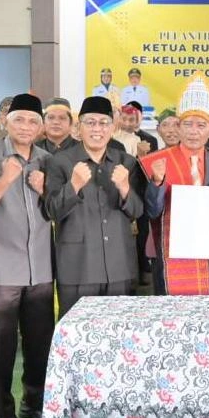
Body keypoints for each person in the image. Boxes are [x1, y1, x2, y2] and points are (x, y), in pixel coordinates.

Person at [0, 93, 54, 418]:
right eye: (19, 119)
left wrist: (46, 190)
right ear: (5, 121)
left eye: (33, 121)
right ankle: (3, 410)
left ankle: (32, 401)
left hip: (40, 267)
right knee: (1, 345)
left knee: (39, 343)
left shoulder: (48, 160)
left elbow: (57, 209)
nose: (26, 126)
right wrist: (6, 179)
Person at [44, 96, 145, 317]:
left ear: (113, 127)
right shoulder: (60, 162)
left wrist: (125, 188)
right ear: (78, 128)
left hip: (119, 266)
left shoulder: (126, 162)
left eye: (103, 123)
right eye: (90, 122)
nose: (97, 129)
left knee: (119, 335)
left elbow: (137, 211)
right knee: (76, 337)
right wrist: (74, 186)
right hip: (78, 267)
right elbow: (51, 210)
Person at [142, 77, 209, 295]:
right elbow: (152, 211)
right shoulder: (157, 161)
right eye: (188, 124)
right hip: (169, 254)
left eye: (201, 125)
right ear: (178, 126)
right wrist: (157, 182)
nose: (194, 131)